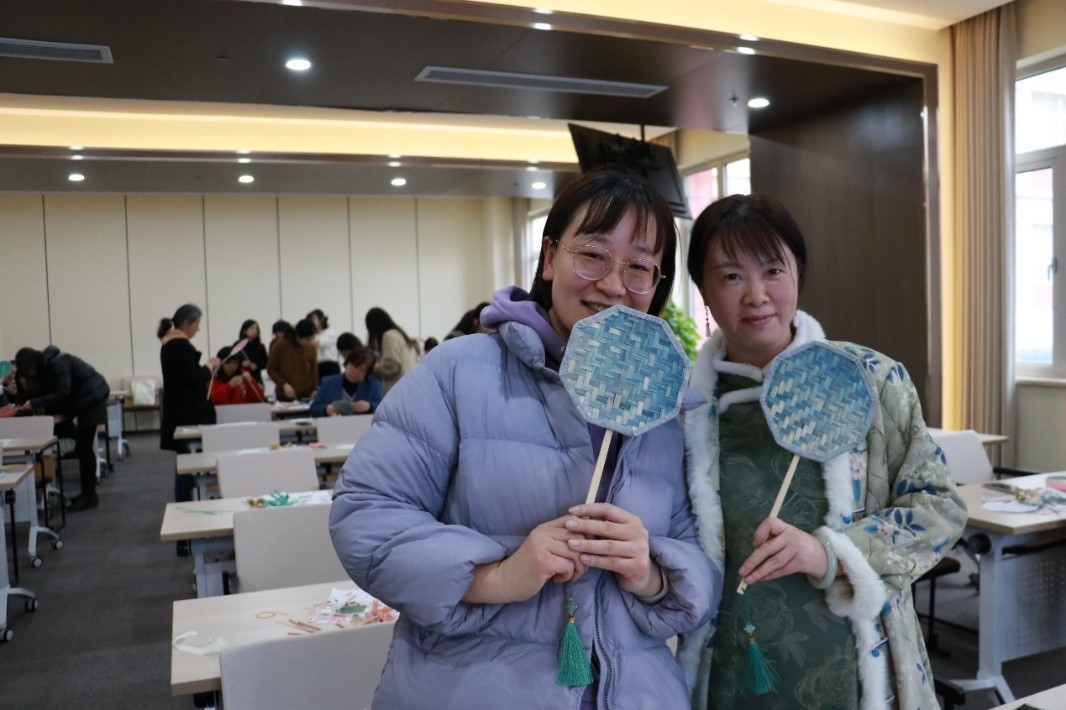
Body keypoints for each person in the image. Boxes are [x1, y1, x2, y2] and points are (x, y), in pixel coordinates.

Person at [330, 167, 720, 709]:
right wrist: (499, 576)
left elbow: (698, 555)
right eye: (593, 254)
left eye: (639, 267)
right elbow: (366, 515)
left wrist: (649, 571)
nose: (613, 284)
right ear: (549, 257)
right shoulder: (457, 372)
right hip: (476, 688)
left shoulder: (660, 408)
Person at [675, 193, 967, 709]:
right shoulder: (684, 408)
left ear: (799, 274)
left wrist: (832, 553)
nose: (756, 296)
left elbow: (939, 506)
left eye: (773, 271)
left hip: (853, 663)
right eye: (731, 276)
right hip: (730, 669)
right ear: (703, 290)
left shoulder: (870, 381)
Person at [14, 346, 110, 512]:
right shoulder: (52, 364)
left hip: (94, 398)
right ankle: (87, 494)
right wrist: (65, 414)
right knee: (83, 449)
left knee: (84, 449)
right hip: (90, 397)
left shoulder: (58, 364)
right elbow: (67, 393)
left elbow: (64, 392)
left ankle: (89, 496)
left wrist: (35, 403)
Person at [158, 304, 219, 505]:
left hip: (179, 410)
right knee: (187, 462)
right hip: (187, 413)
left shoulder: (169, 344)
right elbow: (193, 378)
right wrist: (209, 366)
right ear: (186, 323)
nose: (198, 329)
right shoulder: (180, 346)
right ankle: (184, 503)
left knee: (184, 461)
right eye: (197, 324)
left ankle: (185, 501)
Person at [309, 347, 383, 417]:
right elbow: (313, 409)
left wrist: (369, 407)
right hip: (333, 424)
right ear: (346, 364)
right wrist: (326, 410)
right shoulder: (328, 382)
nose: (355, 372)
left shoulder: (373, 385)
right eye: (354, 366)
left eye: (361, 370)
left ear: (367, 374)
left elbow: (383, 409)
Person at [364, 307, 420, 393]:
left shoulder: (389, 336)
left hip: (398, 389)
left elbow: (392, 365)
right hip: (412, 386)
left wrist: (373, 367)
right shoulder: (401, 335)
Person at [266, 317, 318, 401]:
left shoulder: (311, 347)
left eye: (313, 338)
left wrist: (315, 389)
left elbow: (313, 370)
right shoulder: (281, 345)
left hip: (306, 394)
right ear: (298, 337)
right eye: (308, 340)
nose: (311, 342)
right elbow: (271, 369)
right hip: (285, 394)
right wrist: (284, 384)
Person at [307, 308, 342, 380]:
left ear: (322, 319)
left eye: (313, 319)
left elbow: (321, 342)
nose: (311, 322)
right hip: (316, 367)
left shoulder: (331, 332)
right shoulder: (313, 335)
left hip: (330, 366)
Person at [236, 319, 268, 384]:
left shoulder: (260, 346)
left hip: (256, 379)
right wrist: (241, 363)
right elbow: (232, 361)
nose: (255, 331)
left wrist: (257, 366)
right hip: (240, 379)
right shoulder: (238, 345)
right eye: (252, 328)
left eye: (256, 329)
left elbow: (266, 363)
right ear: (245, 331)